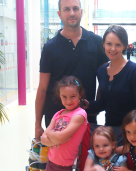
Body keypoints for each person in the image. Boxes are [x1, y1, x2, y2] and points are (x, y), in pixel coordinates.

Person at [35, 0, 109, 141]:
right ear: (59, 14)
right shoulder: (50, 48)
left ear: (81, 11)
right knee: (58, 161)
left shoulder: (97, 43)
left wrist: (95, 107)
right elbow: (42, 88)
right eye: (67, 9)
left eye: (75, 8)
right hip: (56, 119)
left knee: (85, 160)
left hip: (85, 115)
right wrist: (37, 124)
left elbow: (104, 82)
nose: (72, 13)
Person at [85, 25, 136, 146]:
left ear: (124, 46)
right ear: (103, 45)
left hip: (132, 135)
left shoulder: (134, 71)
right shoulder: (101, 71)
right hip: (111, 133)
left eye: (118, 45)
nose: (113, 49)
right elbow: (106, 102)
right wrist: (88, 105)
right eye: (109, 44)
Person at [41, 76, 88, 171]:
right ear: (59, 96)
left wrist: (51, 134)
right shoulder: (58, 114)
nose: (68, 101)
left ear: (80, 95)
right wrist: (56, 136)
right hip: (51, 162)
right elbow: (43, 139)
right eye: (64, 97)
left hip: (64, 166)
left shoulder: (80, 114)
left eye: (73, 96)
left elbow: (61, 137)